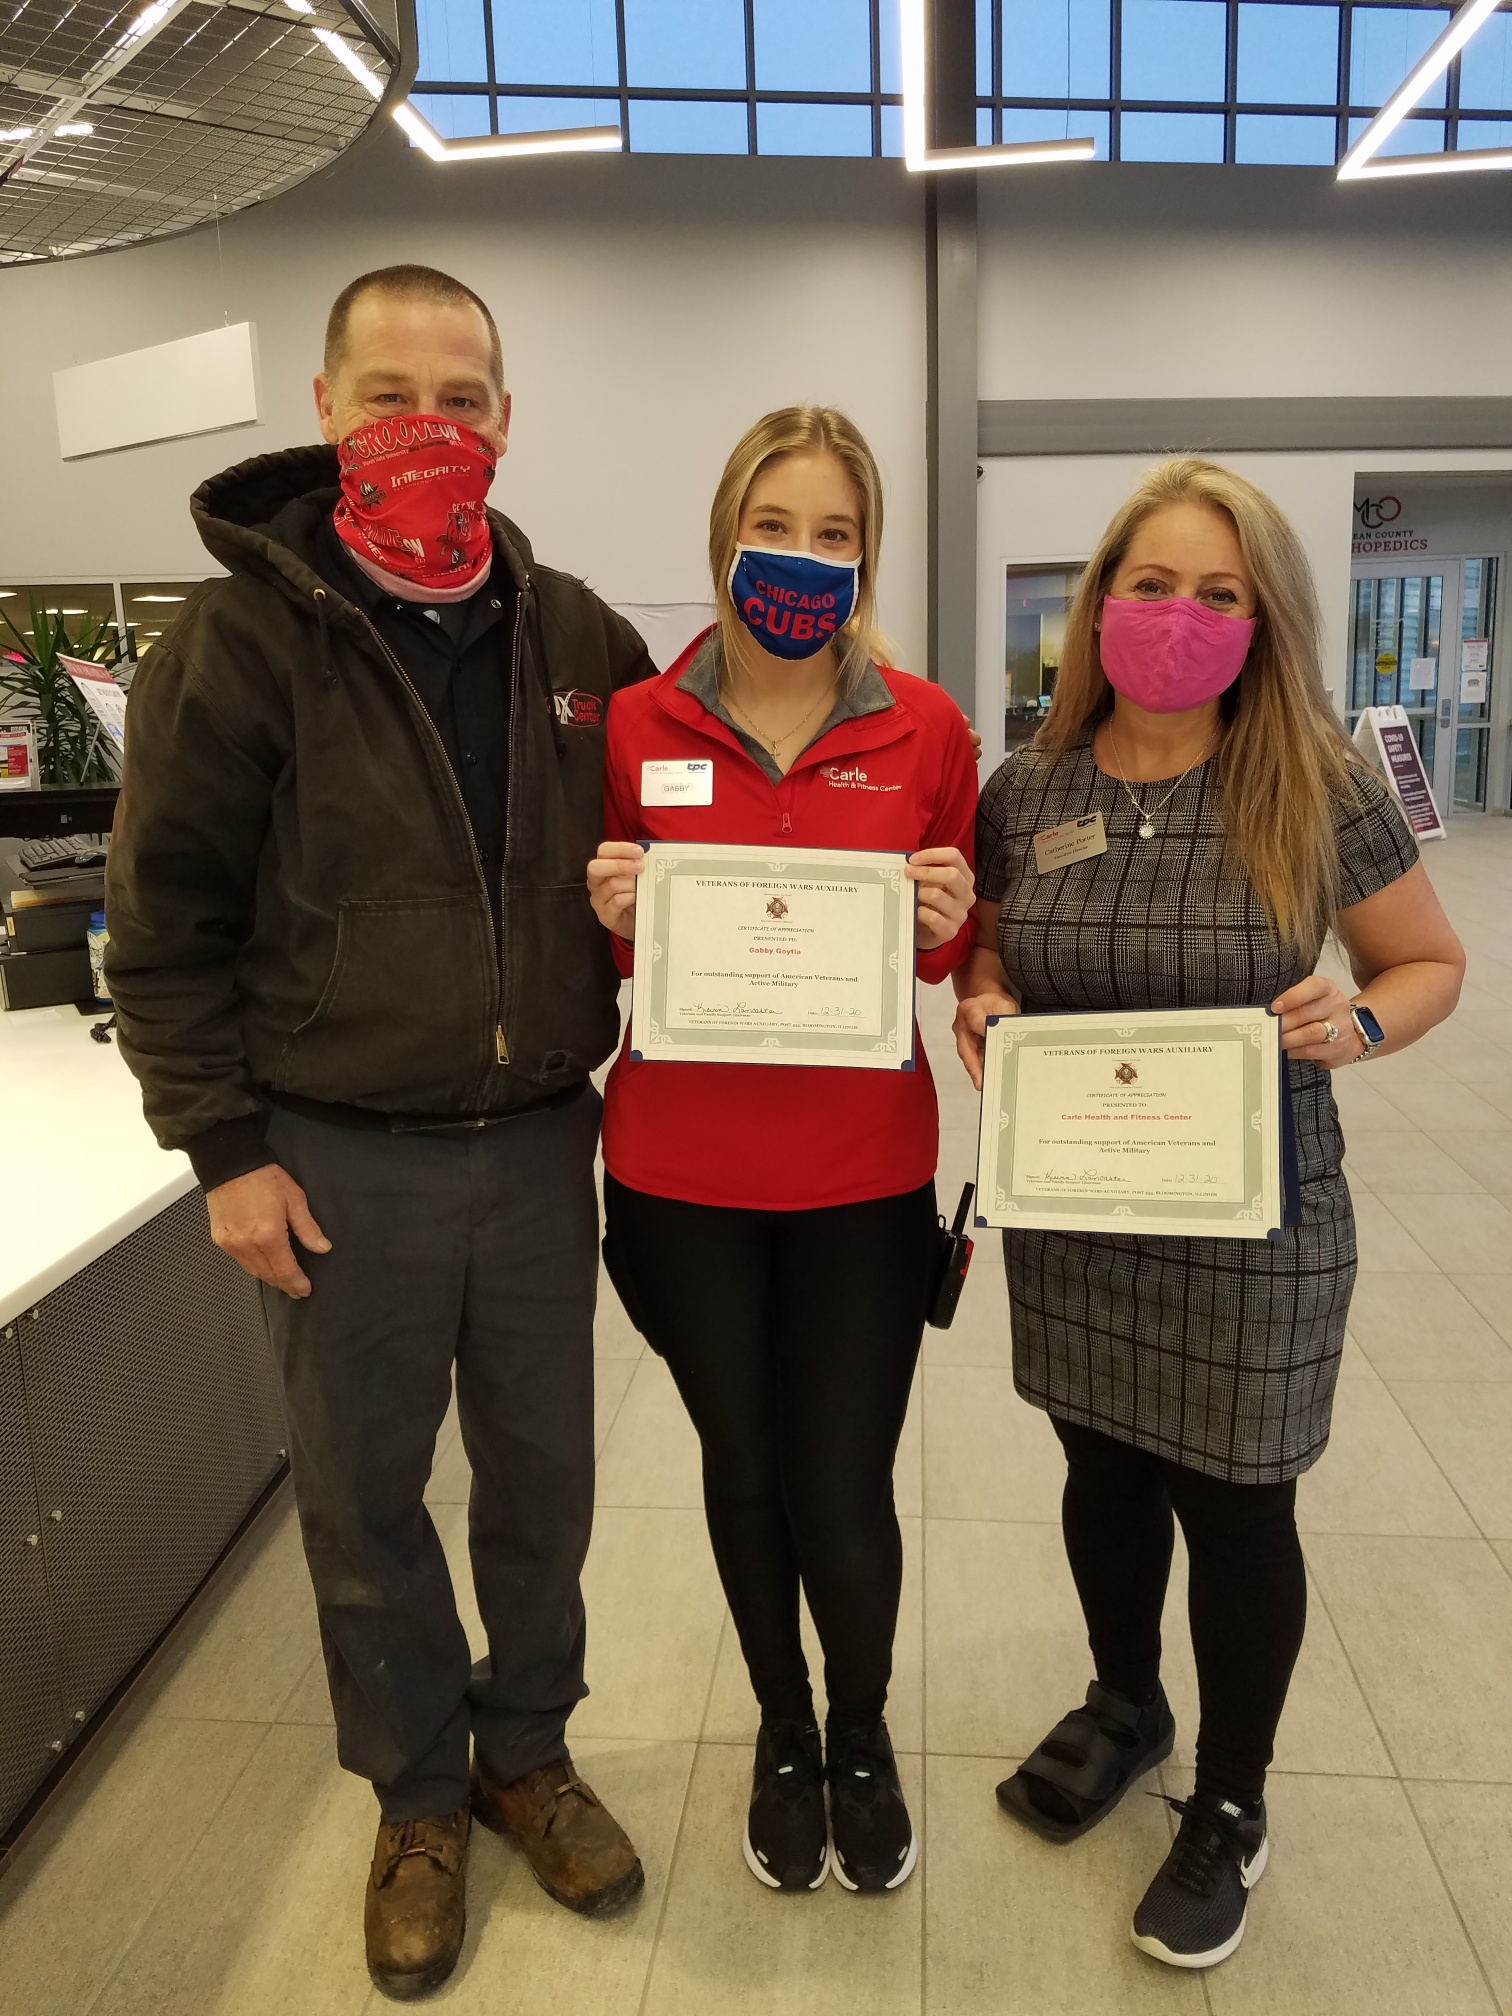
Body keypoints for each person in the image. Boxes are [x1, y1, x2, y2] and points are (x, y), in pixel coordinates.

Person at [105, 264, 654, 2000]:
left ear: (507, 418)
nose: (431, 426)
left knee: (545, 1485)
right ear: (327, 409)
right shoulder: (237, 642)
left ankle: (525, 1753)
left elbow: (684, 861)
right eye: (392, 395)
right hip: (336, 1150)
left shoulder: (583, 641)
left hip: (540, 1142)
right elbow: (165, 924)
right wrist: (223, 1150)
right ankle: (417, 1795)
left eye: (463, 398)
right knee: (362, 1500)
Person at [953, 457, 1464, 1971]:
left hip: (1258, 1223)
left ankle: (1230, 1800)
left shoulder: (1318, 780)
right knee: (1101, 1471)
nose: (1180, 614)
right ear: (1100, 600)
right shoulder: (1028, 788)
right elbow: (992, 952)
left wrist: (1356, 1023)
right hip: (1080, 1210)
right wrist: (983, 998)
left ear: (1265, 620)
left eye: (1220, 593)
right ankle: (1127, 1703)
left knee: (1239, 1506)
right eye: (1154, 584)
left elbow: (1428, 965)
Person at [586, 407, 977, 1897]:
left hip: (861, 1183)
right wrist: (609, 908)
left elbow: (947, 957)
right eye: (774, 527)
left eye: (834, 534)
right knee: (742, 1469)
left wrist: (951, 926)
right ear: (724, 538)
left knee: (843, 1486)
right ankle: (784, 1728)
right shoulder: (638, 725)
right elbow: (603, 949)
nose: (801, 559)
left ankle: (862, 1735)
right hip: (679, 1177)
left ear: (867, 556)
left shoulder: (925, 728)